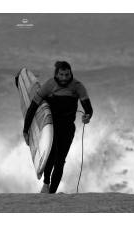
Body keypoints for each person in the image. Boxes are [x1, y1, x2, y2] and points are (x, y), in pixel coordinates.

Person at [23, 61, 93, 194]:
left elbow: (88, 108)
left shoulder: (77, 87)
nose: (65, 78)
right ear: (56, 74)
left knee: (60, 161)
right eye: (61, 74)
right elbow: (33, 107)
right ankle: (46, 183)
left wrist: (87, 116)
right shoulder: (49, 85)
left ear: (70, 73)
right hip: (51, 127)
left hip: (67, 128)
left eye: (67, 74)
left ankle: (51, 193)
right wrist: (26, 130)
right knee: (51, 154)